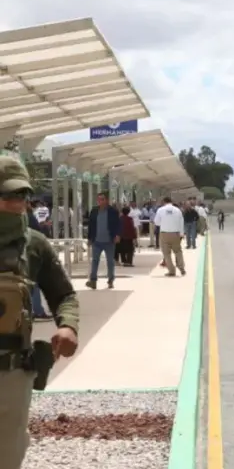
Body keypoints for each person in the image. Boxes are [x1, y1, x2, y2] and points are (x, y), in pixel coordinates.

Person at [0, 156, 79, 469]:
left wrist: (68, 326)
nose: (18, 204)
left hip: (13, 373)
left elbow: (64, 294)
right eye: (9, 196)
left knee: (7, 454)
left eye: (23, 196)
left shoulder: (35, 245)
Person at [85, 192, 120, 290]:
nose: (100, 201)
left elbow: (118, 224)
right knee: (95, 261)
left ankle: (110, 280)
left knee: (110, 261)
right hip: (96, 241)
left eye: (103, 199)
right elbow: (91, 225)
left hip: (109, 241)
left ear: (107, 200)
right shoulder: (94, 211)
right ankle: (93, 281)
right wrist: (89, 238)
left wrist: (117, 235)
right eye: (99, 199)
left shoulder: (113, 211)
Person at [26, 201, 50, 321]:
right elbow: (37, 234)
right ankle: (37, 311)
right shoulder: (29, 217)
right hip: (30, 254)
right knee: (33, 283)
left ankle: (33, 310)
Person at [154, 197, 185, 277]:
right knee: (178, 251)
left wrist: (164, 223)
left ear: (164, 202)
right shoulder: (177, 210)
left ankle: (172, 271)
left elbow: (156, 222)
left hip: (164, 234)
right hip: (175, 233)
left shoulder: (160, 210)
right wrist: (181, 234)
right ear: (171, 202)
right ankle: (181, 268)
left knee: (166, 253)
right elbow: (181, 222)